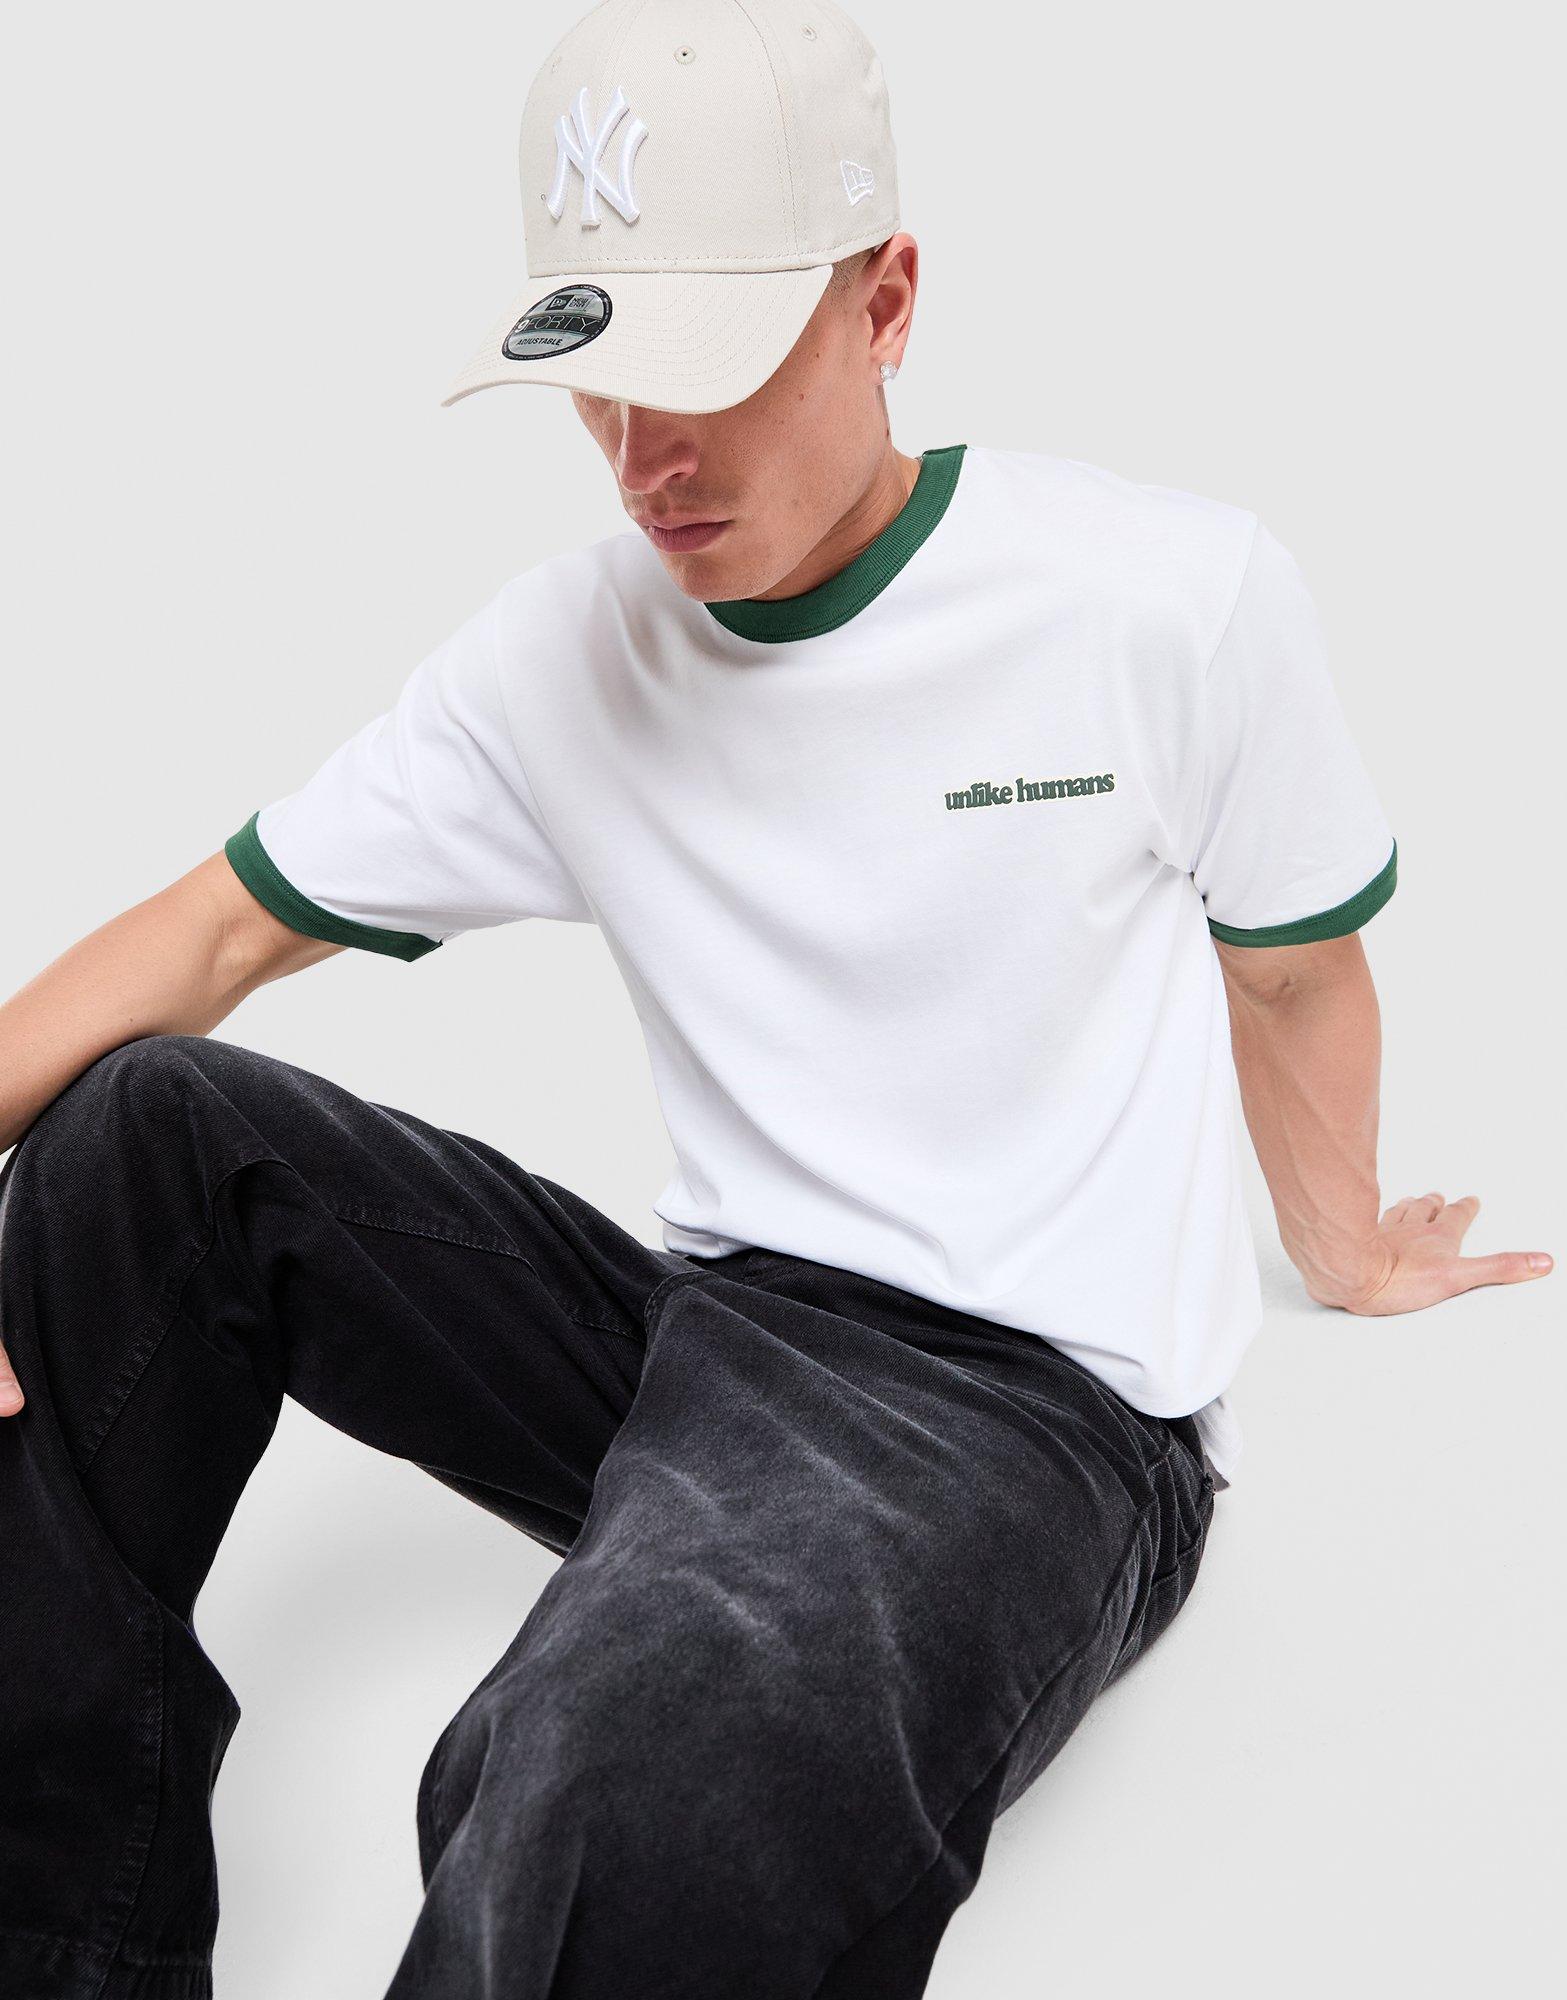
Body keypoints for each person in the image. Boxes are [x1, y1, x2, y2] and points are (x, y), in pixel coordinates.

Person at [0, 3, 1551, 1996]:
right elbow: (215, 933)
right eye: (597, 380)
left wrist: (1343, 1249)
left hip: (1032, 1416)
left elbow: (1296, 964)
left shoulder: (1162, 602)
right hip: (705, 1334)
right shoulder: (562, 662)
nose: (644, 457)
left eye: (705, 375)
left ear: (886, 299)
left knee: (605, 1762)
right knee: (131, 1142)